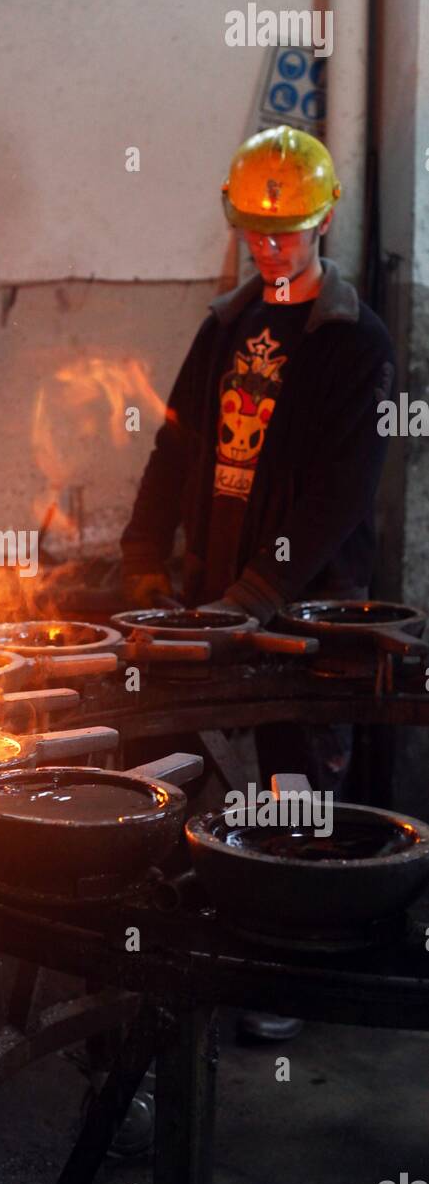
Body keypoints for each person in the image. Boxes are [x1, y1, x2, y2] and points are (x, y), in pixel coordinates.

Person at [120, 127, 396, 1042]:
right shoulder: (227, 324)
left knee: (292, 778)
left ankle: (289, 968)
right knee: (190, 760)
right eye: (255, 232)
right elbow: (174, 443)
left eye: (286, 232)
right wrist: (141, 550)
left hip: (307, 611)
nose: (270, 248)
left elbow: (340, 491)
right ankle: (208, 940)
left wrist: (260, 592)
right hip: (220, 591)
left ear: (323, 221)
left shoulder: (351, 342)